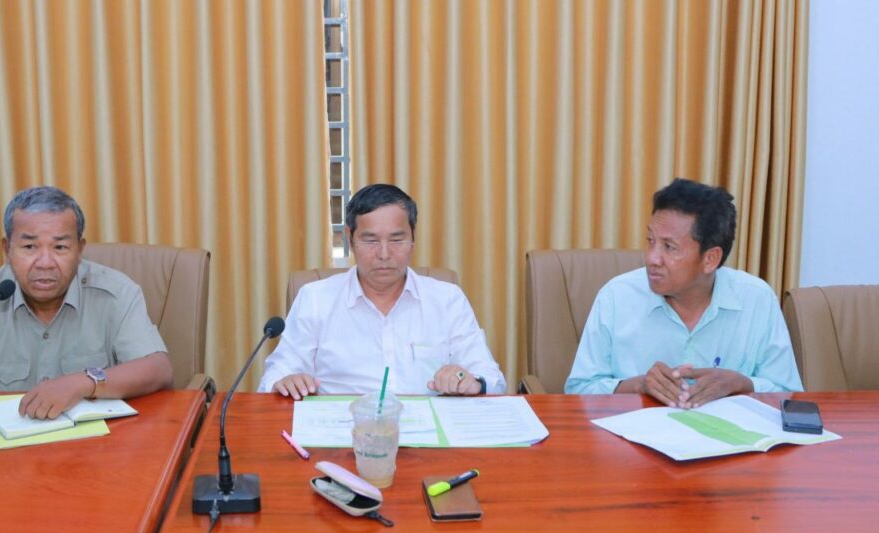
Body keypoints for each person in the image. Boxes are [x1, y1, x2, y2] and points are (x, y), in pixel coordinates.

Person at [0, 186, 173, 433]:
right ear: (7, 249)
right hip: (6, 456)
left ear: (79, 249)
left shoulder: (115, 293)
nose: (45, 262)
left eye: (60, 247)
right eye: (29, 246)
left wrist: (83, 382)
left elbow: (158, 369)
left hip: (97, 450)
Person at [564, 178, 802, 407]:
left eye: (669, 247)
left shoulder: (757, 299)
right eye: (650, 241)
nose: (652, 258)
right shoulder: (616, 297)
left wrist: (741, 383)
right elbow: (578, 392)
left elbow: (789, 394)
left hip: (725, 435)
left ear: (710, 259)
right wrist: (638, 385)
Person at [258, 183, 506, 399]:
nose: (384, 254)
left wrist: (470, 381)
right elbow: (275, 377)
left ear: (413, 238)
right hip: (342, 432)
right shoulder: (315, 299)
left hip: (430, 433)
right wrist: (286, 382)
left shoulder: (447, 299)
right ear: (350, 239)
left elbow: (491, 379)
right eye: (370, 240)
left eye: (397, 240)